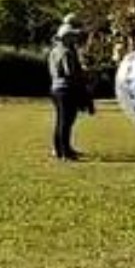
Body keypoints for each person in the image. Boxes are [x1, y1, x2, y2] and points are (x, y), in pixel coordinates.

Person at [47, 16, 92, 161]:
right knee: (66, 122)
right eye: (73, 36)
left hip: (55, 88)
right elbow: (70, 73)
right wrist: (85, 74)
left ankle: (59, 149)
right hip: (66, 89)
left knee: (60, 121)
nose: (75, 38)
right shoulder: (67, 52)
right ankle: (65, 152)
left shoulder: (54, 50)